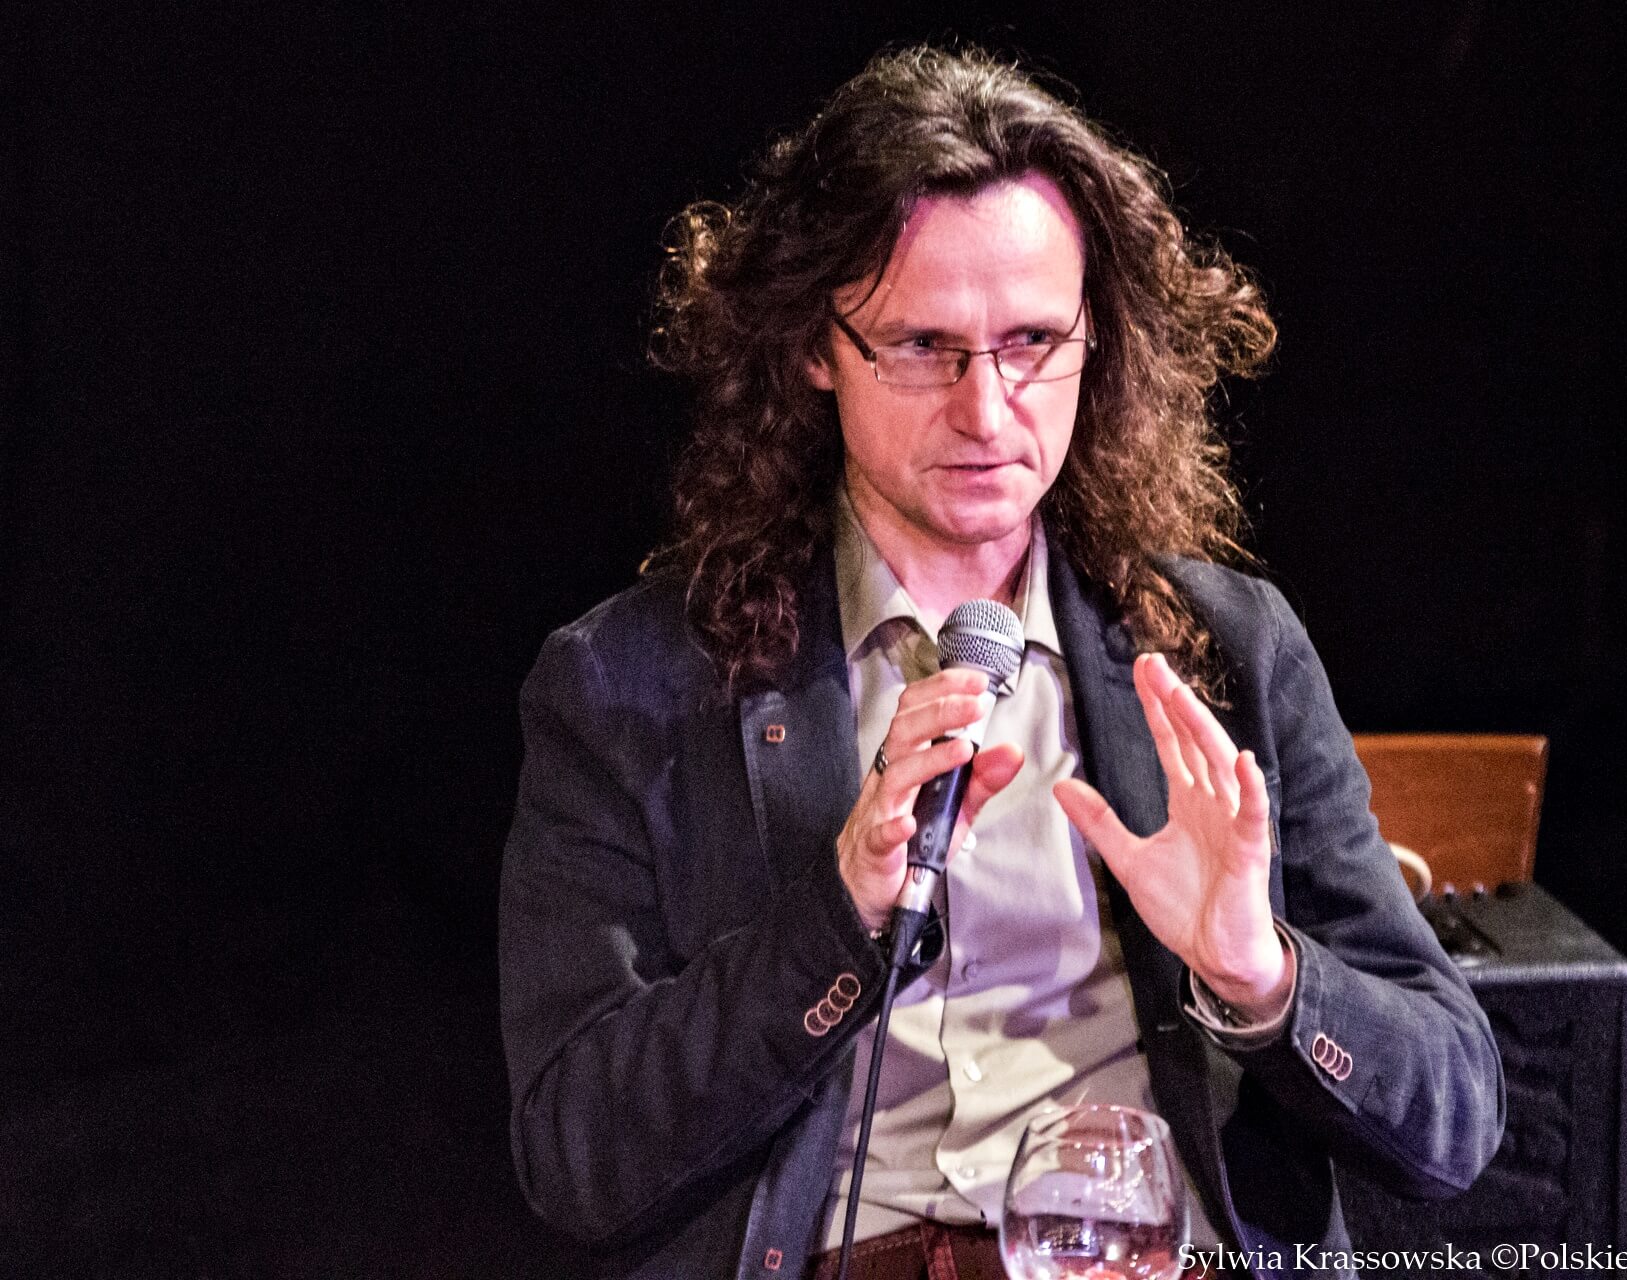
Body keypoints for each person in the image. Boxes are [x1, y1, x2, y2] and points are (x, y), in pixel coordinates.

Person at [499, 46, 1504, 1280]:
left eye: (1032, 340)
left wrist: (1262, 978)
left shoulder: (1226, 649)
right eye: (924, 345)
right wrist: (836, 917)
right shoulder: (630, 685)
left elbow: (1456, 1114)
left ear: (1097, 338)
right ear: (815, 344)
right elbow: (578, 1155)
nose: (987, 411)